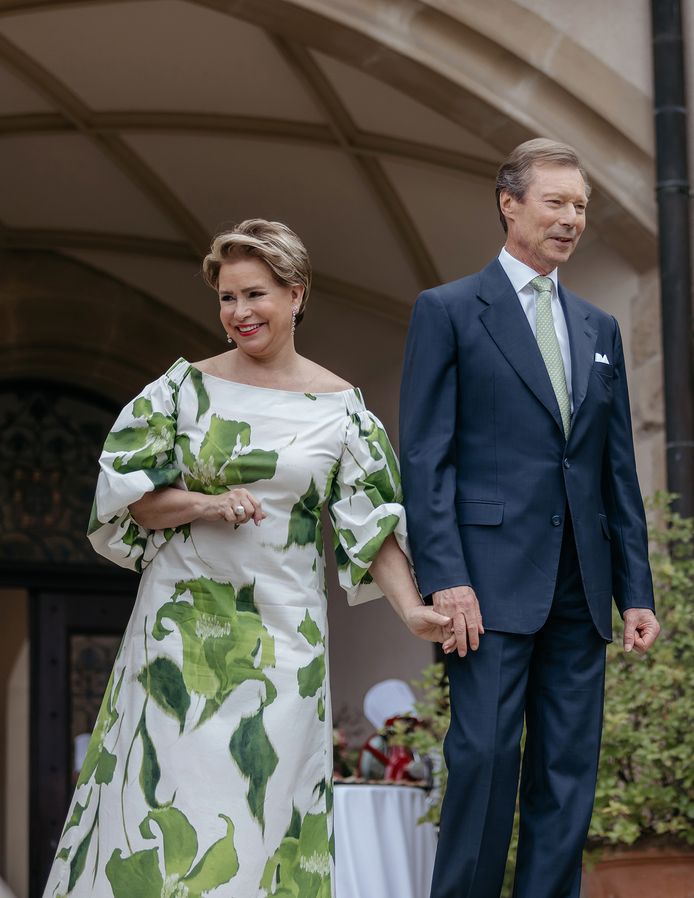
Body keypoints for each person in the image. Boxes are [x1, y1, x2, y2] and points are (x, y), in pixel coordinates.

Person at [43, 219, 453, 898]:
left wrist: (412, 610)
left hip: (284, 642)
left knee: (262, 805)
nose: (239, 313)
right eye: (227, 298)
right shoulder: (179, 391)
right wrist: (205, 504)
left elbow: (371, 524)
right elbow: (133, 500)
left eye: (254, 295)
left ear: (296, 295)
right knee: (164, 803)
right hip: (178, 634)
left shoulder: (342, 411)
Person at [399, 139, 661, 898]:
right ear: (509, 203)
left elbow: (616, 471)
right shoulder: (446, 311)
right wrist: (445, 578)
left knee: (567, 771)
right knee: (482, 761)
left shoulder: (599, 328)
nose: (572, 219)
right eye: (557, 202)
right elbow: (425, 458)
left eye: (580, 206)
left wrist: (635, 591)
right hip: (486, 587)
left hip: (583, 584)